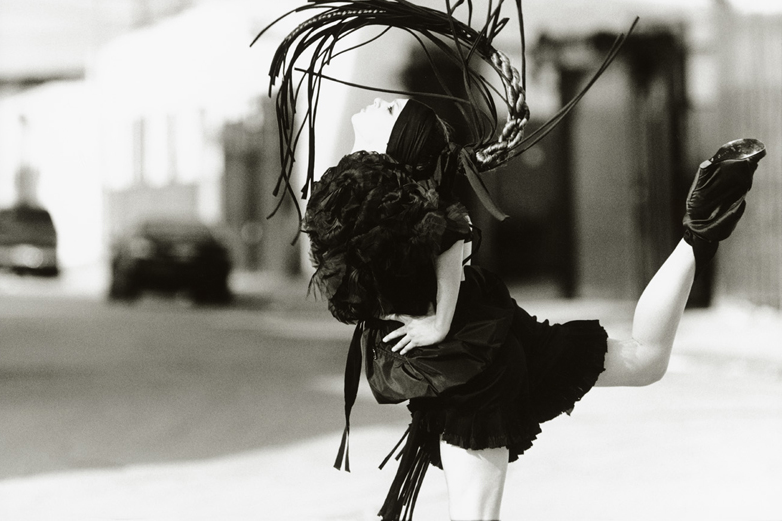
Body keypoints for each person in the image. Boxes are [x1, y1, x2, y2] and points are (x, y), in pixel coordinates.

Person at [301, 97, 764, 521]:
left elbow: (452, 230)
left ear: (395, 142)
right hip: (485, 341)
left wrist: (438, 323)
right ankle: (698, 232)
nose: (377, 102)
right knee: (645, 360)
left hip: (473, 373)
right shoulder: (374, 190)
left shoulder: (393, 198)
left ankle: (699, 231)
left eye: (388, 109)